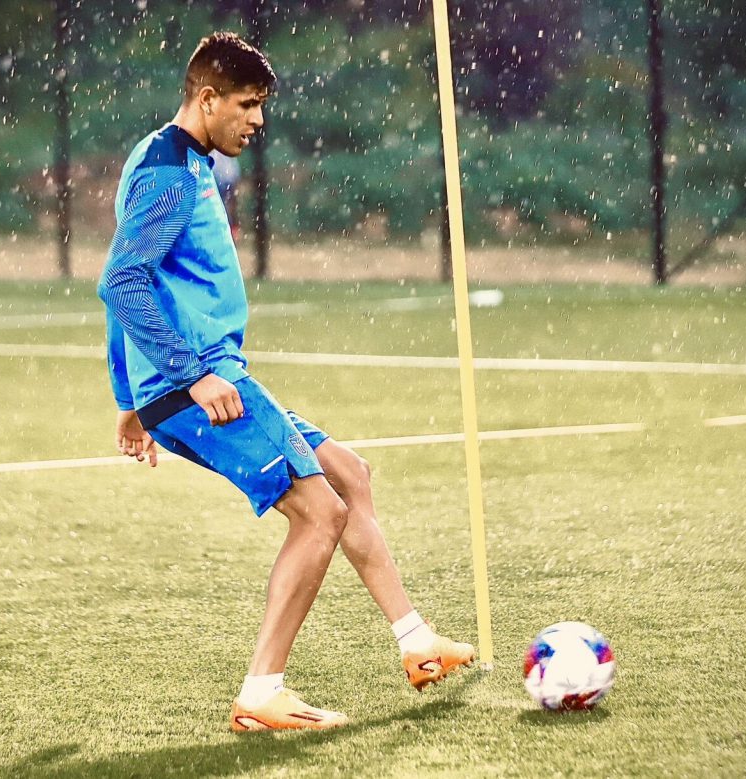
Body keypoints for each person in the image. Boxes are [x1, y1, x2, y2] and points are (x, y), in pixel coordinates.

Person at [98, 32, 474, 733]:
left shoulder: (175, 158)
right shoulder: (169, 174)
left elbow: (132, 279)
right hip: (198, 386)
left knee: (349, 475)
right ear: (206, 98)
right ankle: (261, 690)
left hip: (200, 380)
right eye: (247, 104)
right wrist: (183, 378)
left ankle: (418, 642)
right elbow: (121, 281)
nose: (258, 120)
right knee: (320, 512)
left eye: (261, 105)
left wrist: (128, 399)